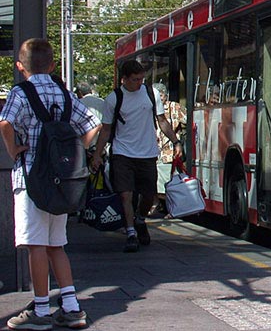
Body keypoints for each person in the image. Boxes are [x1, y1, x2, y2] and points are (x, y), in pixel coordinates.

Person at [0, 38, 100, 330]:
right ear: (53, 65)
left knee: (36, 246)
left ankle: (41, 309)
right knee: (57, 245)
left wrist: (12, 149)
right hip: (62, 181)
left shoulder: (21, 92)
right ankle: (71, 307)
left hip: (31, 177)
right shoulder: (64, 94)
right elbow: (93, 124)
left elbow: (5, 123)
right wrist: (75, 152)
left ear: (20, 67)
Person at [91, 60, 183, 253]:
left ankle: (140, 218)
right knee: (126, 194)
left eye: (142, 79)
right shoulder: (113, 99)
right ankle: (131, 232)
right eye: (135, 80)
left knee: (149, 195)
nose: (139, 83)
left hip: (148, 153)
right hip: (122, 153)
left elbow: (162, 121)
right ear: (124, 79)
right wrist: (97, 155)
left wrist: (176, 142)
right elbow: (106, 130)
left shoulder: (151, 94)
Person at [151, 82, 186, 216]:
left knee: (166, 184)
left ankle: (171, 209)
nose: (158, 98)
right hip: (153, 151)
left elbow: (189, 120)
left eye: (160, 95)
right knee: (155, 183)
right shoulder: (150, 108)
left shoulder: (174, 107)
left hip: (168, 152)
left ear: (165, 95)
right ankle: (159, 205)